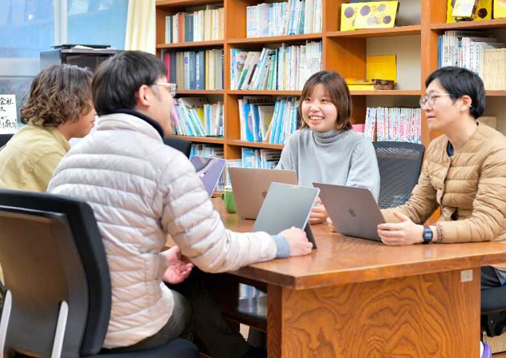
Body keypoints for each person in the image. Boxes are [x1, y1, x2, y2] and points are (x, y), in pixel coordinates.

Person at [47, 51, 312, 357]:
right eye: (168, 90)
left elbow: (99, 246)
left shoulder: (70, 159)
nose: (172, 102)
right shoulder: (164, 161)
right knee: (187, 310)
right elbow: (215, 253)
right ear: (145, 94)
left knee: (190, 285)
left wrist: (159, 263)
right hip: (125, 326)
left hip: (73, 318)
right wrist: (281, 243)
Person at [377, 66, 506, 358]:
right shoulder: (437, 147)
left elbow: (487, 225)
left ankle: (469, 348)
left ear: (464, 103)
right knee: (382, 283)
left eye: (434, 98)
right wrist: (365, 217)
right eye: (424, 99)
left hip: (491, 258)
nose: (427, 106)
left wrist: (426, 233)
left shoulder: (498, 151)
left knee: (410, 291)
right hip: (448, 251)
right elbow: (416, 208)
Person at [0, 64, 96, 304]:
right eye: (92, 100)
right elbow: (86, 221)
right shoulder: (44, 152)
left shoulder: (33, 138)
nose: (96, 110)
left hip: (2, 270)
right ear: (70, 101)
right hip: (8, 280)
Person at [277, 70, 380, 224]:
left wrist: (330, 212)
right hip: (300, 227)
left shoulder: (360, 146)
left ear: (341, 105)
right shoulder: (296, 140)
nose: (313, 107)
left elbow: (362, 205)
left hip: (341, 234)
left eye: (324, 100)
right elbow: (278, 188)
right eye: (308, 100)